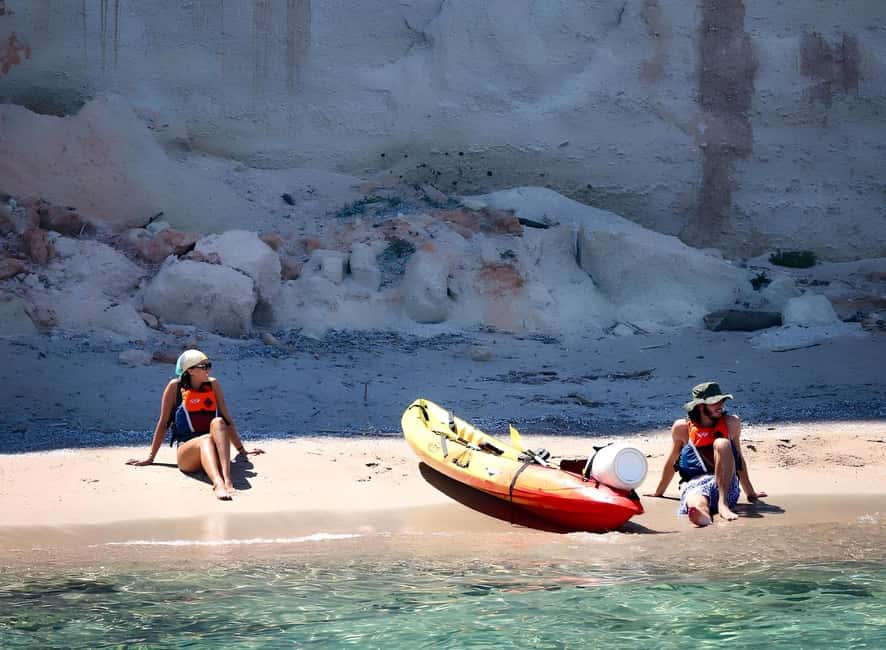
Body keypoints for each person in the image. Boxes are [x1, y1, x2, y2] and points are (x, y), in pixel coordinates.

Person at [127, 349, 264, 500]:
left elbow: (227, 419)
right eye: (204, 366)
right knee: (205, 439)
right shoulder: (175, 387)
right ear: (190, 370)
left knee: (218, 421)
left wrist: (242, 450)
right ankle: (218, 484)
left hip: (213, 448)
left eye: (209, 365)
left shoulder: (213, 385)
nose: (208, 370)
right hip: (188, 454)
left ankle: (227, 478)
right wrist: (150, 458)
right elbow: (163, 423)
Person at [646, 381, 766, 526]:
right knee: (696, 500)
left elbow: (739, 460)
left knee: (722, 443)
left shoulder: (731, 424)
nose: (720, 405)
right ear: (700, 406)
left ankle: (722, 504)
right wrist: (659, 491)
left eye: (721, 400)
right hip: (695, 484)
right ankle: (702, 514)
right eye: (714, 402)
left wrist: (750, 492)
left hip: (726, 486)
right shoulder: (682, 428)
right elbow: (672, 461)